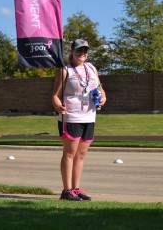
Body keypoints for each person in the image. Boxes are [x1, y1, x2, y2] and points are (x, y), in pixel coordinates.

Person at [52, 38, 106, 201]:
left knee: (81, 155)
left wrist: (103, 95)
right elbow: (55, 95)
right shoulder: (65, 70)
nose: (82, 53)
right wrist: (58, 105)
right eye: (79, 50)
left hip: (89, 115)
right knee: (69, 153)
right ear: (72, 52)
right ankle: (66, 190)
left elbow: (99, 87)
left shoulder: (91, 68)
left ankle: (76, 188)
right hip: (71, 116)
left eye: (85, 50)